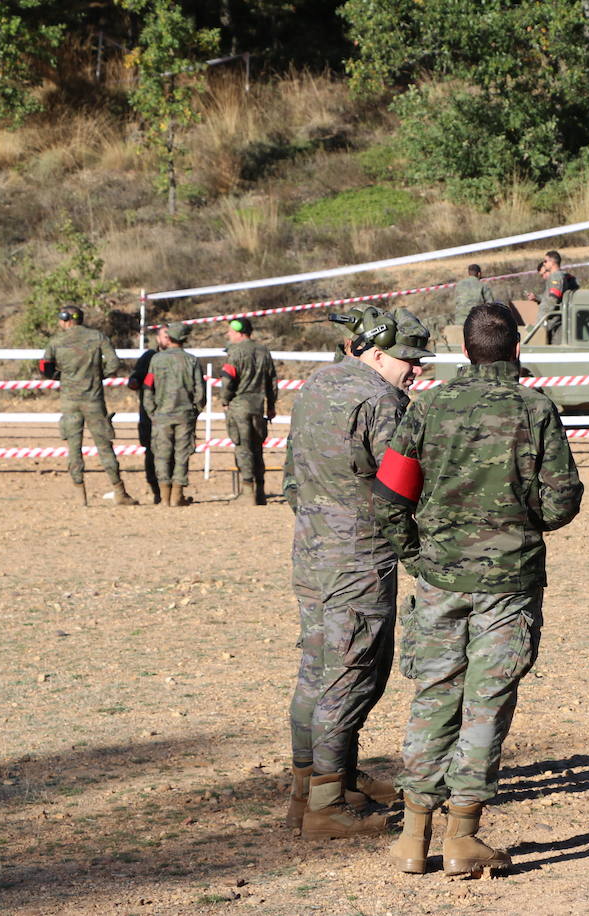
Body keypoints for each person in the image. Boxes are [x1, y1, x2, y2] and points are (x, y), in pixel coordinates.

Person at [375, 303, 583, 876]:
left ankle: (413, 836)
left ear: (465, 351)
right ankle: (463, 837)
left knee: (434, 696)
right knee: (486, 704)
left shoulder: (427, 406)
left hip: (440, 577)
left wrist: (416, 554)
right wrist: (523, 517)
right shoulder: (536, 408)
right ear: (515, 349)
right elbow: (562, 499)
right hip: (509, 584)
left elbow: (391, 495)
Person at [281, 305, 434, 840]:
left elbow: (291, 477)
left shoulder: (315, 385)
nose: (415, 369)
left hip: (312, 548)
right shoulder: (383, 400)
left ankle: (318, 783)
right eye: (408, 360)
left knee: (317, 665)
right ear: (374, 352)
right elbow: (403, 486)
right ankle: (326, 804)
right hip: (360, 555)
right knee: (352, 670)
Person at [40, 306, 138, 507]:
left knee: (73, 447)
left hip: (69, 400)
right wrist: (98, 375)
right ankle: (119, 491)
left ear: (66, 319)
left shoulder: (56, 341)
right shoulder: (98, 337)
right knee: (104, 446)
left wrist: (60, 377)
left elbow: (45, 367)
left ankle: (80, 495)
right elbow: (114, 363)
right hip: (94, 400)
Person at [142, 322, 205, 507]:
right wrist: (195, 411)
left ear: (169, 338)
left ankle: (164, 497)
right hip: (185, 415)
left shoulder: (156, 360)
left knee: (161, 455)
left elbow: (148, 387)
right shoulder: (191, 360)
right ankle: (177, 496)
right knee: (182, 455)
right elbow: (200, 392)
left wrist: (151, 412)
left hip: (161, 416)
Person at [219, 317, 278, 505]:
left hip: (239, 407)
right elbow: (272, 382)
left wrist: (224, 400)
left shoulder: (234, 352)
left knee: (243, 449)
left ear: (239, 333)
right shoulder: (263, 351)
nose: (228, 335)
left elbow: (228, 379)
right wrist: (271, 405)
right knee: (257, 449)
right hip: (258, 407)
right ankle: (260, 492)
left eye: (230, 331)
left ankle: (247, 491)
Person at [126, 344, 161, 504]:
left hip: (173, 414)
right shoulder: (149, 357)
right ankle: (157, 491)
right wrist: (134, 381)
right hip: (149, 414)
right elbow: (136, 379)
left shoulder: (183, 358)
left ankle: (174, 492)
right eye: (164, 335)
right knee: (151, 451)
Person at [525, 251, 575, 343]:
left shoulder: (556, 277)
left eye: (545, 261)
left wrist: (541, 319)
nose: (544, 263)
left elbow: (552, 300)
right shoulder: (556, 276)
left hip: (550, 319)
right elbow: (548, 297)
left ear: (552, 262)